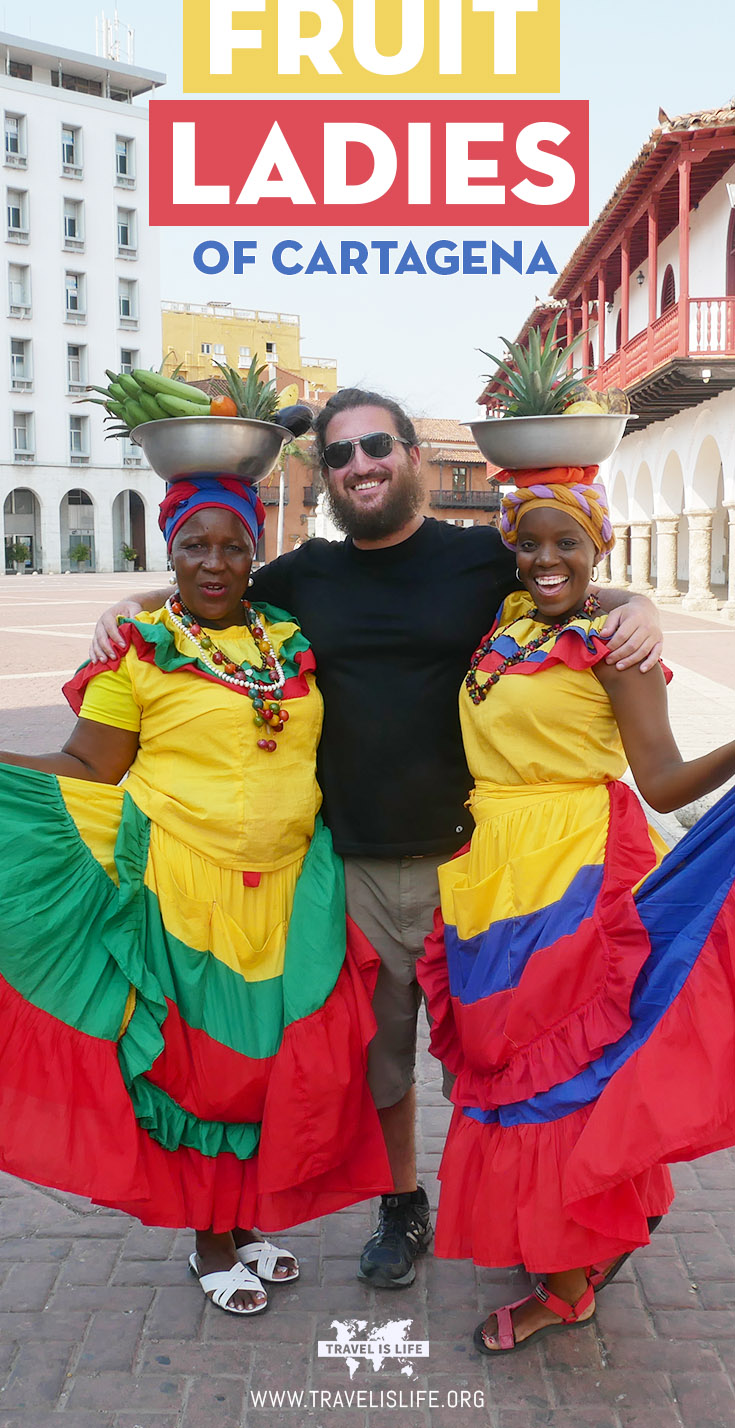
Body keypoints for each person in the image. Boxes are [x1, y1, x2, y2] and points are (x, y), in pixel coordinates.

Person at [90, 389, 664, 1288]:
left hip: (480, 863)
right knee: (377, 1060)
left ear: (413, 460)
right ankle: (403, 1206)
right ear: (325, 475)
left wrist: (639, 606)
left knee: (503, 1051)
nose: (360, 464)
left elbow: (568, 574)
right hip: (351, 865)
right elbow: (209, 583)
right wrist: (130, 602)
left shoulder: (482, 556)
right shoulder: (304, 574)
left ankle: (545, 1214)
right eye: (342, 454)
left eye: (377, 447)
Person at [0, 474, 390, 1316]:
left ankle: (244, 1222)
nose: (214, 564)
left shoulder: (287, 637)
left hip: (290, 889)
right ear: (167, 551)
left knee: (266, 1070)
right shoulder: (137, 652)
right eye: (194, 547)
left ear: (256, 553)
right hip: (182, 887)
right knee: (205, 1074)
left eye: (233, 546)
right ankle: (209, 1240)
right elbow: (86, 767)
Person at [416, 466, 735, 1353]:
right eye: (531, 542)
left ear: (598, 549)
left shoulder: (612, 647)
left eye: (569, 543)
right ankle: (566, 1239)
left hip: (575, 869)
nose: (547, 559)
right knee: (503, 1060)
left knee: (550, 1075)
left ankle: (566, 1282)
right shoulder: (509, 626)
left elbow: (663, 778)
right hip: (494, 869)